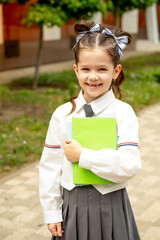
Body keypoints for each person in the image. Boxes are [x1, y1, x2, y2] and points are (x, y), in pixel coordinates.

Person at [39, 20, 141, 240]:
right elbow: (50, 166)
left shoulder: (123, 113)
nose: (93, 76)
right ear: (76, 70)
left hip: (111, 207)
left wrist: (83, 156)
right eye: (86, 69)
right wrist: (51, 212)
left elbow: (130, 164)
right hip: (72, 208)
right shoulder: (62, 114)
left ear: (116, 71)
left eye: (102, 69)